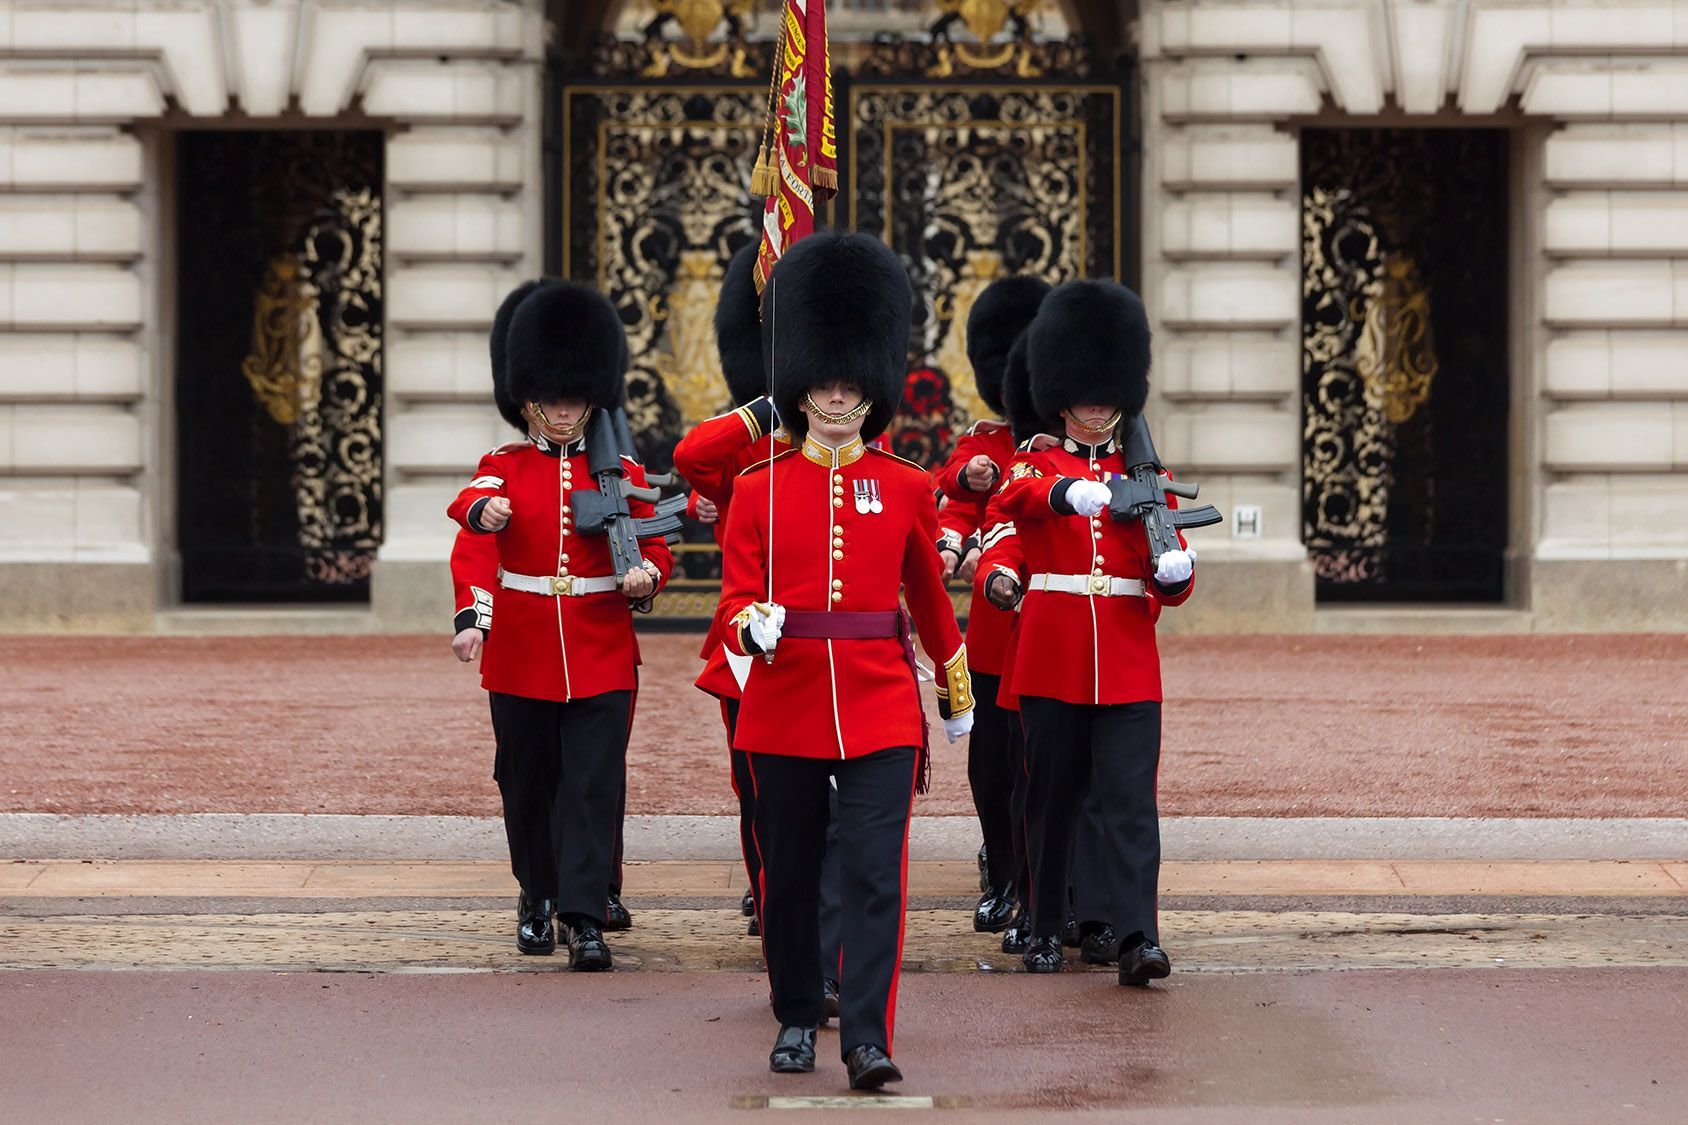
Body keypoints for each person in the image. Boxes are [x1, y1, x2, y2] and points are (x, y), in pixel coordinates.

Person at [716, 232, 972, 1088]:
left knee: (874, 876)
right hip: (783, 699)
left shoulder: (907, 484)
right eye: (823, 382)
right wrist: (747, 630)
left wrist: (956, 684)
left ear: (870, 387)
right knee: (788, 878)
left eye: (849, 381)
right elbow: (732, 597)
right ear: (801, 388)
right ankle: (796, 1014)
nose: (835, 394)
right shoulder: (758, 488)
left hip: (879, 704)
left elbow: (930, 594)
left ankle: (867, 1035)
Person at [447, 280, 674, 971]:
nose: (564, 408)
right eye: (552, 397)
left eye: (574, 397)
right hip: (521, 650)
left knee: (592, 784)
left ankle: (585, 914)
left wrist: (647, 579)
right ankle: (535, 894)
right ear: (528, 401)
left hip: (601, 646)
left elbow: (654, 546)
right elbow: (473, 522)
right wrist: (472, 616)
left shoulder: (622, 471)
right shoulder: (502, 468)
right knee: (526, 780)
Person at [994, 279, 1196, 985]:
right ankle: (1047, 924)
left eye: (1106, 392)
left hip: (1128, 659)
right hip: (1054, 657)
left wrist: (1174, 573)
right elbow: (1010, 495)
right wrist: (1063, 493)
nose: (1096, 405)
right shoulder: (1039, 462)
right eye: (1084, 393)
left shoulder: (1148, 473)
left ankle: (1140, 933)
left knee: (1131, 803)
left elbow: (1167, 575)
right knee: (1051, 800)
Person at [929, 275, 1050, 935]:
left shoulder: (1064, 448)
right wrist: (965, 479)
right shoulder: (986, 442)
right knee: (993, 765)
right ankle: (1004, 874)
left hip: (1055, 638)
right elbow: (953, 491)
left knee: (1046, 768)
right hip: (998, 639)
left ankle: (1040, 880)